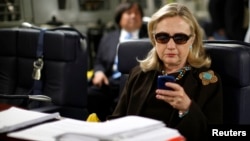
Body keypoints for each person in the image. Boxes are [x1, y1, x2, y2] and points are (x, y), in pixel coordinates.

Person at [108, 3, 223, 141]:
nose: (170, 46)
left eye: (180, 38)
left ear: (192, 39)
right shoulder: (138, 74)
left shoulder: (207, 81)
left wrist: (187, 108)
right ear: (154, 39)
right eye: (162, 37)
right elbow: (116, 120)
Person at [87, 1, 148, 121]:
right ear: (119, 17)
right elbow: (99, 62)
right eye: (129, 13)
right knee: (89, 94)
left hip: (136, 83)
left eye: (137, 13)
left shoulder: (149, 38)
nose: (133, 16)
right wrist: (99, 72)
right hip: (110, 82)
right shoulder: (108, 37)